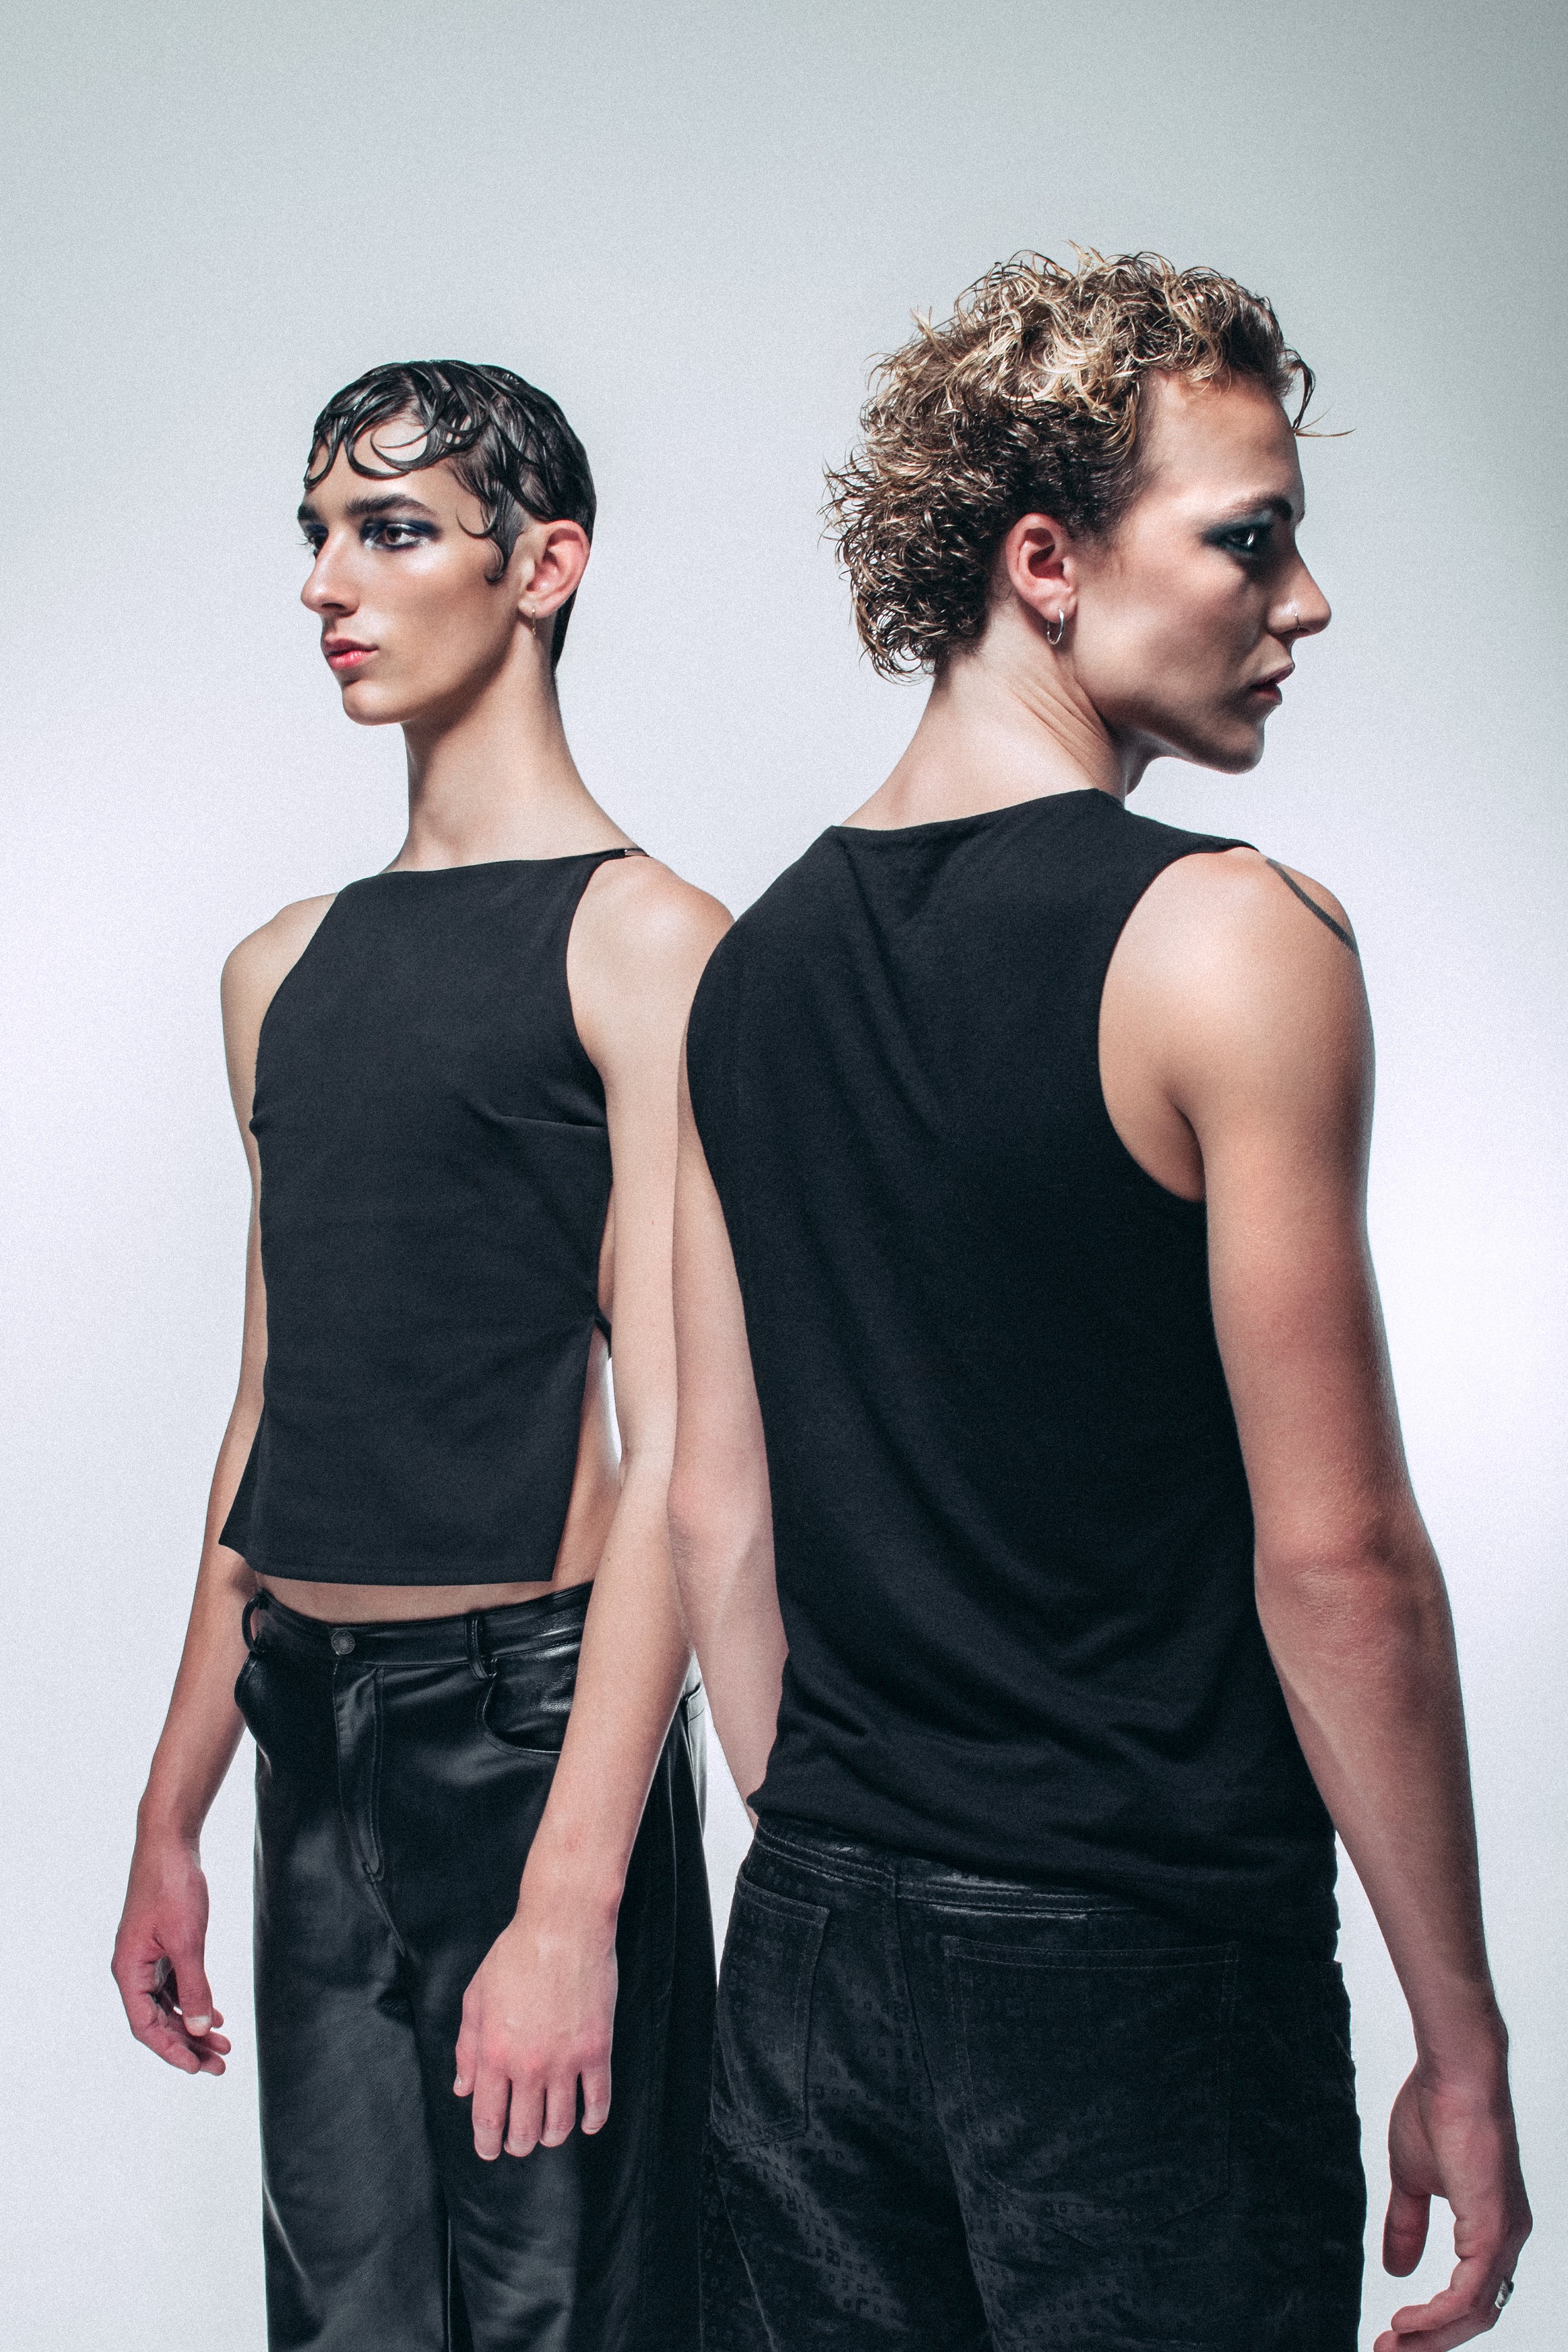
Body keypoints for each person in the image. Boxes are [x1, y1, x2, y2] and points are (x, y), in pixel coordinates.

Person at [670, 253, 1530, 2352]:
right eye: (1247, 539)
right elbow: (1336, 1560)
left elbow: (714, 1508)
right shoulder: (1225, 941)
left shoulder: (750, 969)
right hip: (1135, 1974)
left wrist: (855, 1867)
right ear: (1042, 561)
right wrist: (1460, 2038)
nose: (1300, 602)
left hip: (804, 1953)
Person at [112, 360, 729, 2351]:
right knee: (343, 2324)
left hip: (532, 1729)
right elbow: (269, 1407)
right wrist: (171, 1812)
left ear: (542, 567)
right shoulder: (279, 969)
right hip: (309, 1733)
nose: (328, 583)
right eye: (316, 534)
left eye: (390, 530)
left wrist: (572, 1896)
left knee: (570, 2318)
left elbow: (681, 1451)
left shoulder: (647, 941)